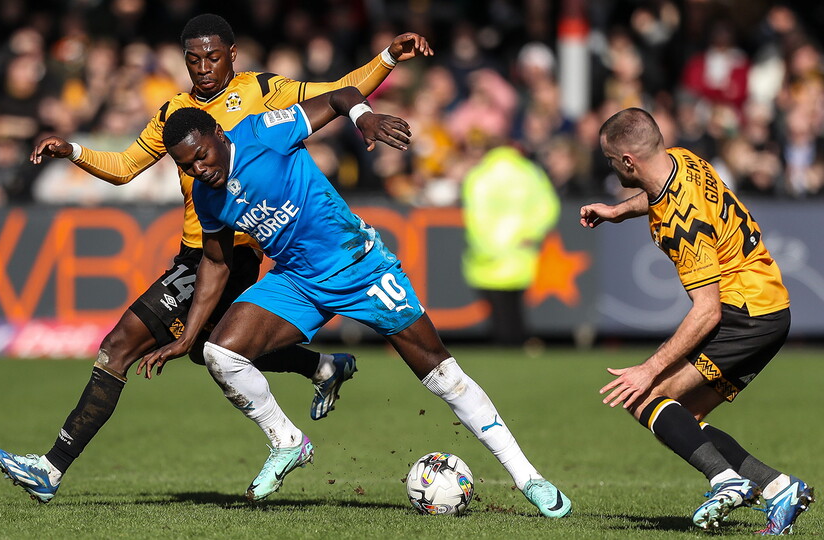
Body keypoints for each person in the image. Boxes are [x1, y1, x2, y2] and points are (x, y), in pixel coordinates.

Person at [0, 13, 434, 504]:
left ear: (232, 55)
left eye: (212, 57)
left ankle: (50, 469)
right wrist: (73, 149)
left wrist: (389, 57)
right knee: (211, 349)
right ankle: (322, 368)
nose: (203, 67)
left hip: (226, 254)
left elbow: (341, 89)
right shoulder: (173, 114)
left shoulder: (262, 90)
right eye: (193, 59)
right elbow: (123, 169)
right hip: (195, 251)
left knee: (120, 345)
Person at [136, 88, 573, 516]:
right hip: (298, 281)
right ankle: (287, 441)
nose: (199, 168)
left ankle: (528, 478)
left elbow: (339, 96)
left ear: (217, 132)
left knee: (444, 375)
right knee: (220, 354)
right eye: (186, 164)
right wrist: (187, 337)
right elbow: (214, 263)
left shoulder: (264, 133)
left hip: (361, 266)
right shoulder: (206, 196)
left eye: (201, 155)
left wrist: (364, 117)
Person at [579, 107, 813, 534]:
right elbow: (654, 194)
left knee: (645, 396)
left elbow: (708, 311)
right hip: (769, 304)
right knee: (681, 416)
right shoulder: (683, 158)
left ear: (628, 161)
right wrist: (618, 212)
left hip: (745, 312)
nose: (611, 168)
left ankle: (726, 482)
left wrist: (647, 370)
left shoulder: (679, 221)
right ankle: (781, 488)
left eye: (612, 161)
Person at [461, 141, 559, 346]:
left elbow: (473, 216)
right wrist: (531, 233)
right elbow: (548, 207)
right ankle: (517, 342)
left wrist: (485, 245)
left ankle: (503, 342)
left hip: (486, 255)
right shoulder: (530, 172)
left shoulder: (479, 174)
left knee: (497, 312)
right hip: (519, 252)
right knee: (515, 308)